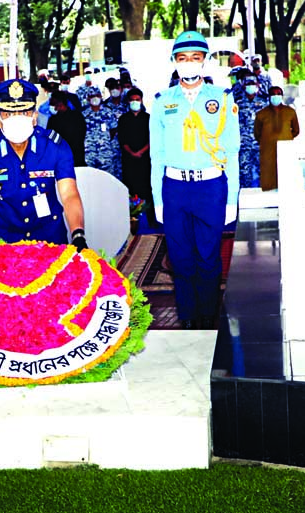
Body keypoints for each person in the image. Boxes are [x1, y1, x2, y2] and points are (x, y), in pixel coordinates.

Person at [149, 31, 240, 330]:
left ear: (205, 62)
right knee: (180, 256)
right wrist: (158, 199)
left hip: (210, 187)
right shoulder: (162, 101)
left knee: (209, 255)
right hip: (174, 188)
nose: (189, 64)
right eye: (183, 59)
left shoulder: (222, 99)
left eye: (195, 59)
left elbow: (232, 151)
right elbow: (157, 155)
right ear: (174, 62)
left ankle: (208, 314)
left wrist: (231, 198)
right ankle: (187, 314)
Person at [0, 78, 87, 255]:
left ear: (34, 117)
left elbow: (69, 193)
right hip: (1, 242)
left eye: (24, 113)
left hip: (49, 239)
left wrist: (78, 234)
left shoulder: (55, 146)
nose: (17, 120)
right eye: (9, 114)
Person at [117, 87, 154, 227]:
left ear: (142, 100)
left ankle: (151, 218)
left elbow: (152, 138)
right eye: (132, 100)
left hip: (145, 159)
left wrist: (142, 151)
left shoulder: (148, 118)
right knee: (131, 189)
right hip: (129, 160)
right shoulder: (124, 119)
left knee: (147, 188)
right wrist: (132, 153)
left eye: (137, 100)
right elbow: (122, 140)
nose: (135, 102)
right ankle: (133, 221)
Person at [253, 86, 300, 191]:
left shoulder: (290, 112)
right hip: (267, 150)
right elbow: (257, 133)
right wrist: (267, 141)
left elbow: (296, 130)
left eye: (278, 94)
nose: (276, 96)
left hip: (285, 149)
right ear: (269, 96)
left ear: (282, 96)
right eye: (273, 94)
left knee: (286, 173)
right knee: (268, 174)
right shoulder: (261, 114)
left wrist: (286, 137)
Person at [83, 86, 122, 180]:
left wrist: (105, 140)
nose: (95, 98)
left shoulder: (108, 112)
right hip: (89, 153)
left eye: (97, 95)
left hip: (105, 152)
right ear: (88, 98)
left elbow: (114, 129)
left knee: (109, 179)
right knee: (91, 180)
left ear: (101, 96)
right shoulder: (83, 115)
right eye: (92, 96)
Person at [237, 74, 268, 189]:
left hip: (260, 145)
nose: (250, 86)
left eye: (252, 84)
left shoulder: (264, 103)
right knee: (245, 174)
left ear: (257, 86)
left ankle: (265, 200)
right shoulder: (238, 103)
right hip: (244, 144)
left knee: (264, 173)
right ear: (244, 86)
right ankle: (245, 201)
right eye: (248, 84)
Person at [47, 90, 87, 167]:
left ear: (60, 103)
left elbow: (81, 136)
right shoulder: (53, 120)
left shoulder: (77, 117)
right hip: (61, 159)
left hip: (75, 158)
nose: (51, 107)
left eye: (52, 104)